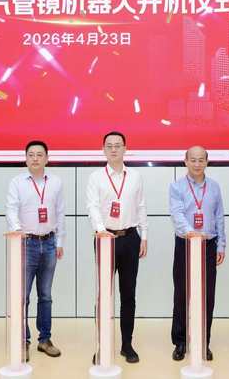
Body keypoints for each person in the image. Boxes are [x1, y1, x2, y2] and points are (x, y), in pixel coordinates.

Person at [86, 131, 148, 363]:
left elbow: (141, 206)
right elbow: (92, 206)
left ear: (125, 148)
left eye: (118, 145)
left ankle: (127, 345)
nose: (114, 149)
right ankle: (102, 345)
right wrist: (101, 230)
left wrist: (144, 235)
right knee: (104, 295)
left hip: (130, 238)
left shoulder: (135, 176)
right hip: (105, 239)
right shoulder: (96, 177)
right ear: (103, 149)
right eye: (109, 146)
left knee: (128, 294)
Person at [6, 140, 65, 358]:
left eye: (39, 155)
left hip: (49, 242)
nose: (35, 158)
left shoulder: (56, 182)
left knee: (46, 295)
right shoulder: (17, 182)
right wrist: (17, 231)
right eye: (31, 155)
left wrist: (60, 241)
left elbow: (60, 212)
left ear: (47, 159)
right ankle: (23, 340)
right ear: (26, 158)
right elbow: (11, 209)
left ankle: (45, 339)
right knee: (22, 296)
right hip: (26, 243)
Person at [169, 146, 226, 362]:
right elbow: (177, 215)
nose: (197, 164)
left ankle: (204, 341)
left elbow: (219, 216)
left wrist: (221, 245)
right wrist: (192, 233)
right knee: (182, 295)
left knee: (207, 296)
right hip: (185, 244)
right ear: (185, 161)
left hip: (209, 245)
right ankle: (180, 342)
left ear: (207, 162)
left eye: (201, 160)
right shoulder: (176, 186)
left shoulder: (214, 187)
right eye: (193, 160)